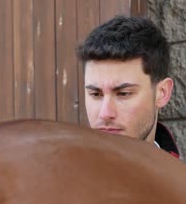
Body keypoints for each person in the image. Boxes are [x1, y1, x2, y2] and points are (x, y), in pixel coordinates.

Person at [76, 15, 179, 158]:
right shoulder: (59, 176)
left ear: (162, 93)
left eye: (123, 93)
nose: (105, 114)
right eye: (96, 94)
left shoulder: (184, 179)